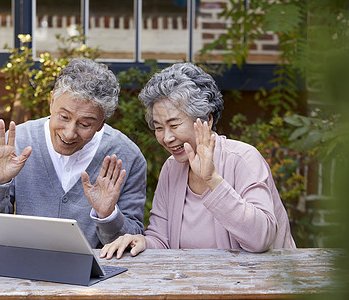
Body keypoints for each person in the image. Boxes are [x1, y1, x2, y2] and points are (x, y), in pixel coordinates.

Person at [101, 62, 296, 259]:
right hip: (194, 284)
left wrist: (212, 180)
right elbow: (161, 240)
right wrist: (142, 242)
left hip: (257, 284)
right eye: (159, 128)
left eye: (174, 124)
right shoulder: (171, 168)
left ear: (207, 120)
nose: (166, 137)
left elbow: (261, 238)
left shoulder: (243, 159)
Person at [0, 58, 146, 248]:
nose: (69, 133)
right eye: (64, 117)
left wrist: (108, 215)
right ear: (52, 101)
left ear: (101, 123)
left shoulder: (127, 156)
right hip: (24, 270)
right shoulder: (18, 141)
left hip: (95, 275)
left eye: (85, 124)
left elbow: (131, 243)